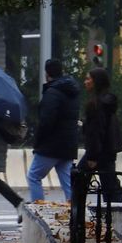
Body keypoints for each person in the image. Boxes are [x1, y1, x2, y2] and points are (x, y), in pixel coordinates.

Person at [27, 59, 81, 200]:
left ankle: (38, 211)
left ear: (47, 73)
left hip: (51, 145)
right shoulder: (72, 92)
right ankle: (76, 212)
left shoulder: (52, 93)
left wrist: (37, 142)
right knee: (68, 182)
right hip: (68, 144)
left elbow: (46, 122)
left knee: (34, 176)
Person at [79, 67, 122, 202]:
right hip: (108, 150)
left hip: (98, 151)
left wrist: (92, 156)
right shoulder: (106, 102)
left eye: (88, 79)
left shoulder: (96, 104)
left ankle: (77, 215)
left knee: (79, 181)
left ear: (96, 82)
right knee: (110, 188)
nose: (85, 82)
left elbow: (96, 131)